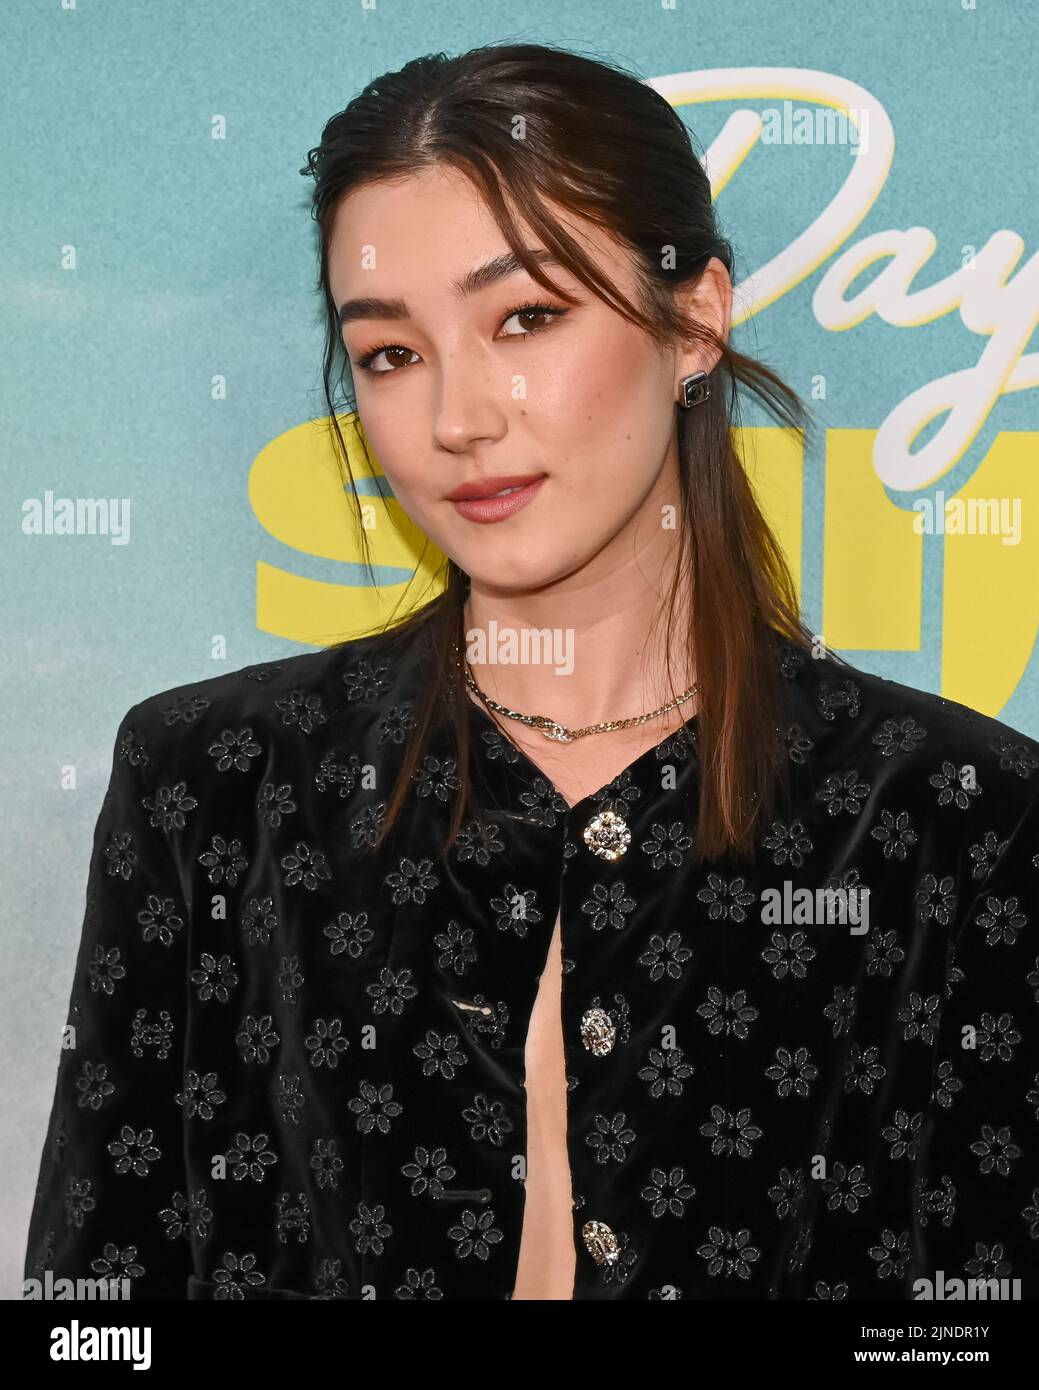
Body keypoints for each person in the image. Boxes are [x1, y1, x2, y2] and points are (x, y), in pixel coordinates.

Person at [24, 41, 1039, 1302]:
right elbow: (95, 1312)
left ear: (694, 318)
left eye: (526, 317)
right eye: (391, 353)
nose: (457, 417)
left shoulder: (953, 813)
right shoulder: (214, 780)